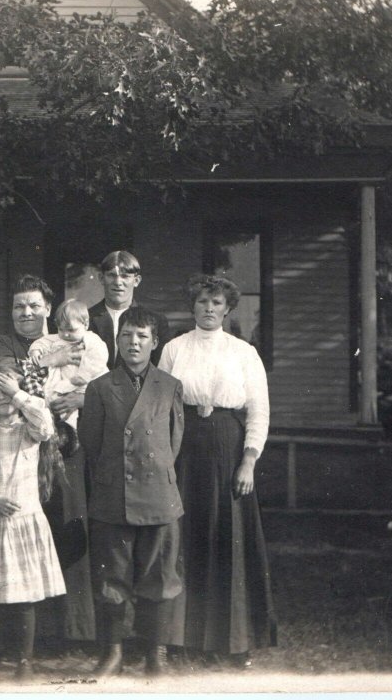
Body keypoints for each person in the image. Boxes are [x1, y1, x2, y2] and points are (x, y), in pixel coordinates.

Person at [158, 274, 277, 665]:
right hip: (185, 448)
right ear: (192, 306)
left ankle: (236, 642)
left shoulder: (244, 352)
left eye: (216, 303)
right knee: (186, 538)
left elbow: (258, 409)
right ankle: (186, 639)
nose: (209, 309)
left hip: (228, 446)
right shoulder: (174, 349)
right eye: (202, 302)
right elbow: (160, 408)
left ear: (227, 309)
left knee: (230, 540)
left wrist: (249, 460)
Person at [0, 274, 95, 646]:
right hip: (19, 452)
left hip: (69, 448)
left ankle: (70, 634)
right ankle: (24, 638)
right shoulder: (2, 342)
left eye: (34, 305)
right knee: (25, 537)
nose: (26, 312)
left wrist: (81, 394)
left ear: (49, 309)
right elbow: (7, 377)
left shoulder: (76, 338)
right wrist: (53, 360)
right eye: (19, 306)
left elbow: (97, 377)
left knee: (67, 530)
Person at [79, 306, 184, 677]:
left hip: (158, 494)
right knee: (112, 578)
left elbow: (173, 443)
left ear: (155, 343)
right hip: (114, 496)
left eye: (141, 336)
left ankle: (156, 654)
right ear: (117, 341)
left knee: (159, 576)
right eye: (126, 335)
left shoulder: (171, 386)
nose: (133, 342)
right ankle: (113, 653)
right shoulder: (100, 388)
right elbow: (91, 444)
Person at [0, 365, 66, 680]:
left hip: (24, 523)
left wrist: (20, 395)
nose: (3, 398)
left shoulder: (30, 429)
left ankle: (24, 662)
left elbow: (46, 425)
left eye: (8, 391)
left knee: (24, 596)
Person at [28, 299, 109, 431]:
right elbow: (41, 342)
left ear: (86, 324)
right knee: (51, 399)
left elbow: (99, 358)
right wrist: (35, 351)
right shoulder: (57, 338)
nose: (65, 334)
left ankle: (72, 431)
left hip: (83, 383)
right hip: (62, 382)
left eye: (71, 330)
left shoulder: (91, 340)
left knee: (82, 408)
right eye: (61, 329)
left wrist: (84, 375)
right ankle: (58, 427)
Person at [88, 250, 170, 370]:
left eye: (125, 276)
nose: (118, 282)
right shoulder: (85, 319)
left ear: (136, 281)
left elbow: (160, 369)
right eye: (111, 275)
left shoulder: (156, 321)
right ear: (101, 278)